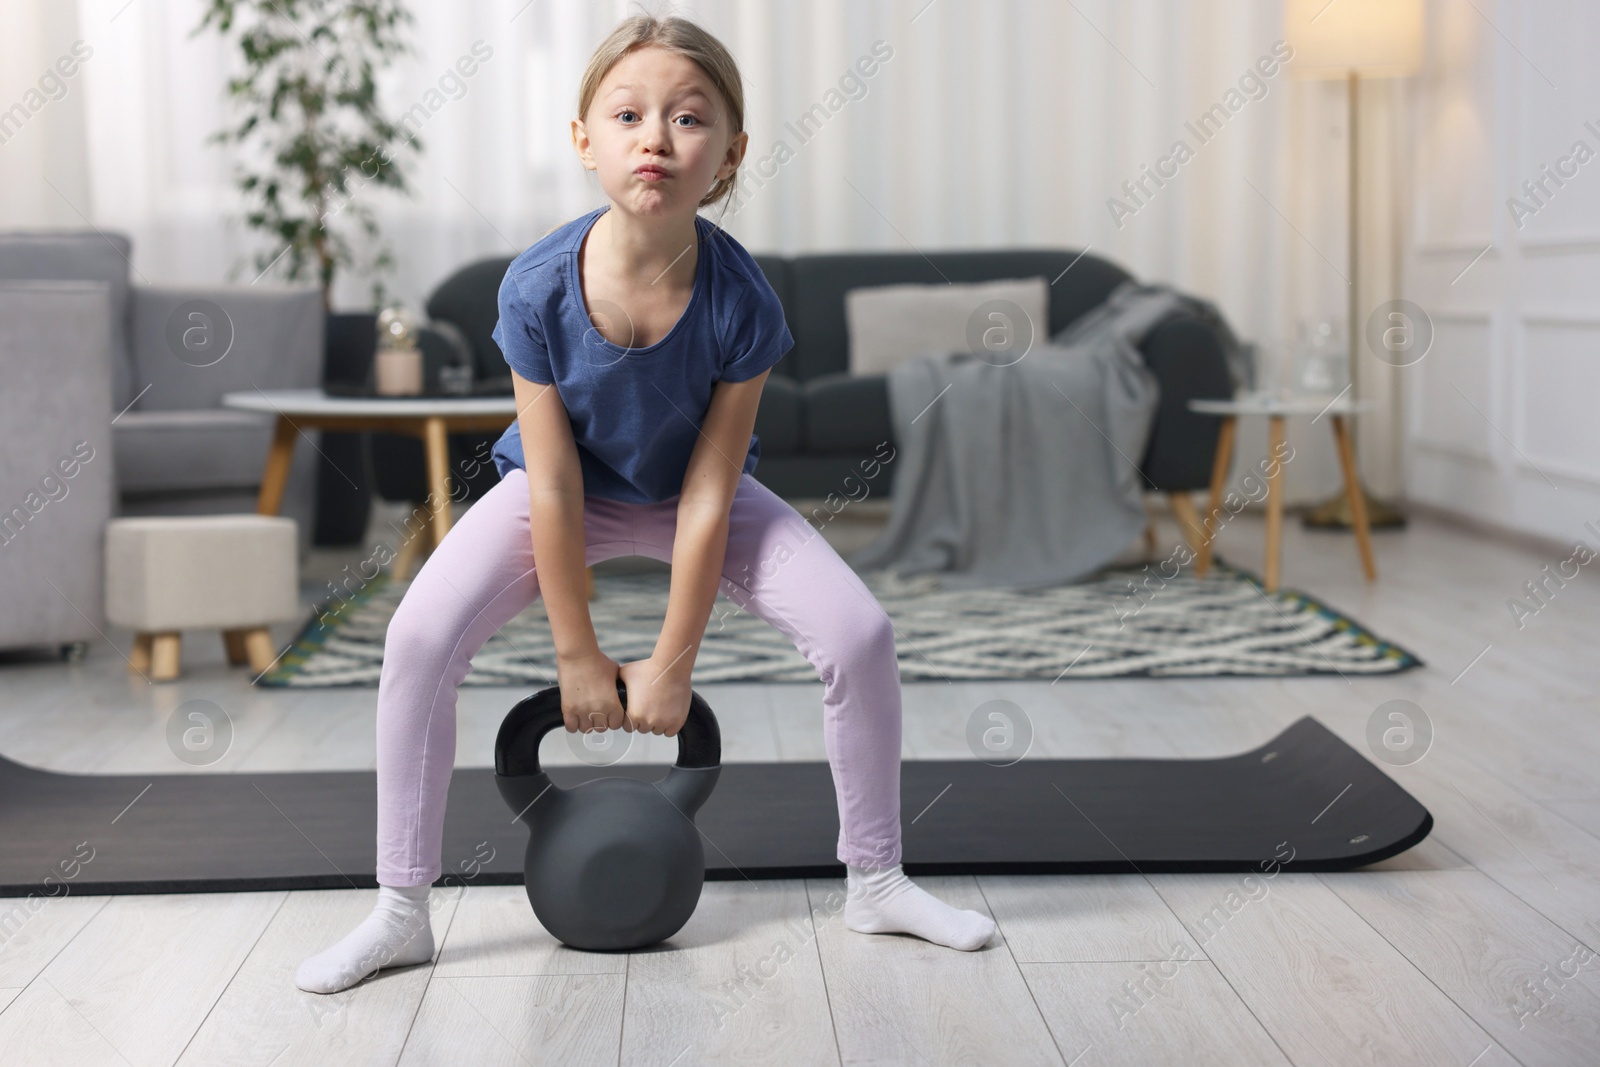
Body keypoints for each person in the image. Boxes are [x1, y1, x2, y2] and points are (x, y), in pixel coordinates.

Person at [295, 13, 995, 996]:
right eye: (627, 114)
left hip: (689, 496)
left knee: (861, 633)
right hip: (555, 492)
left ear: (731, 154)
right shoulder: (535, 288)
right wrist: (577, 654)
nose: (655, 137)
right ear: (585, 141)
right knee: (414, 640)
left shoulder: (741, 298)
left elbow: (710, 489)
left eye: (687, 118)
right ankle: (401, 908)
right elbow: (550, 482)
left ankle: (876, 878)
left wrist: (670, 661)